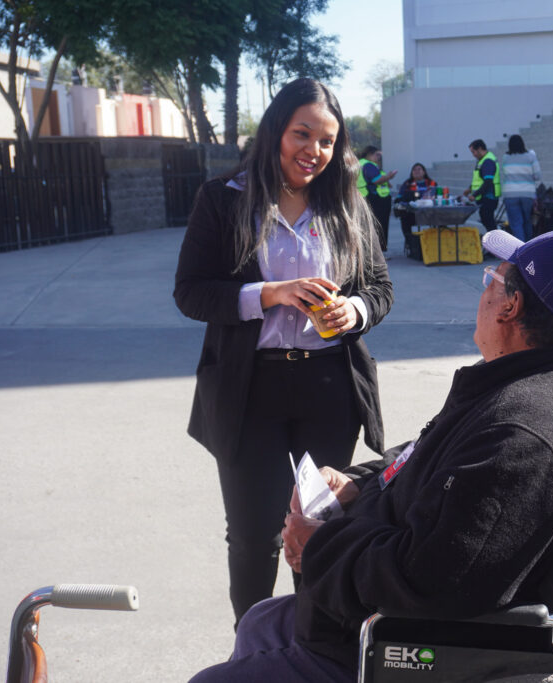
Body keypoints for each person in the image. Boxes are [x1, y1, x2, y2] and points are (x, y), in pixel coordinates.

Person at [190, 228, 553, 682]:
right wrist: (361, 483)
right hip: (382, 614)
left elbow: (427, 581)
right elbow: (431, 454)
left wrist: (320, 547)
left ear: (510, 306)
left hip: (398, 646)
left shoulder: (520, 433)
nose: (484, 292)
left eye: (492, 280)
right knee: (260, 620)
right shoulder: (533, 383)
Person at [173, 78, 394, 629]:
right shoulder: (224, 199)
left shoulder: (347, 203)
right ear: (275, 130)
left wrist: (355, 312)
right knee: (254, 536)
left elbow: (380, 288)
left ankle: (311, 645)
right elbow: (191, 292)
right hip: (250, 390)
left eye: (327, 141)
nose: (314, 150)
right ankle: (251, 648)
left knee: (319, 528)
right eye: (302, 134)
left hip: (329, 389)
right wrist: (268, 294)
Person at [501, 134, 542, 241]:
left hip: (510, 194)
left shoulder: (505, 158)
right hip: (527, 194)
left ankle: (521, 246)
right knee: (527, 221)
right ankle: (528, 245)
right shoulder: (530, 156)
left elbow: (504, 173)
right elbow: (538, 176)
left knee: (516, 223)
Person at [357, 145, 397, 253]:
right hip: (375, 198)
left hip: (365, 197)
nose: (379, 157)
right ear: (369, 154)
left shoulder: (360, 164)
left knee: (369, 226)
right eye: (377, 155)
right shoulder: (368, 165)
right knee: (380, 226)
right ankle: (379, 253)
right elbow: (376, 180)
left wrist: (386, 180)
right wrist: (389, 176)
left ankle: (371, 252)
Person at [463, 138, 501, 231]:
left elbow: (488, 182)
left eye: (473, 152)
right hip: (484, 197)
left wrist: (474, 195)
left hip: (489, 197)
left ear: (480, 149)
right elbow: (479, 179)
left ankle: (495, 238)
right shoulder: (482, 161)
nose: (473, 155)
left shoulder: (488, 161)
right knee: (486, 219)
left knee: (488, 220)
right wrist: (470, 188)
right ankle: (493, 238)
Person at [395, 162, 435, 242]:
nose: (416, 171)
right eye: (414, 170)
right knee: (404, 218)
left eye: (419, 169)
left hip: (429, 214)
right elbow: (399, 198)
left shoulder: (431, 183)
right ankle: (410, 242)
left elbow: (436, 196)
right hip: (412, 214)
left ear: (424, 172)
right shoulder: (407, 184)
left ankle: (434, 241)